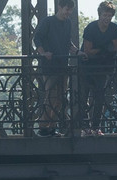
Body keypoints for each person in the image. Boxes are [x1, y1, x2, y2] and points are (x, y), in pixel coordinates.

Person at [32, 0, 76, 136]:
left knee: (61, 98)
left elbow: (68, 42)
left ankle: (52, 126)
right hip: (49, 66)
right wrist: (43, 53)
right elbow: (37, 38)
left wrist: (77, 51)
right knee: (50, 96)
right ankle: (43, 127)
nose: (68, 12)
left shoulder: (68, 23)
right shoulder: (48, 21)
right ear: (60, 7)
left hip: (63, 65)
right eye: (66, 9)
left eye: (70, 10)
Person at [79, 2, 117, 136]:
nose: (107, 18)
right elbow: (87, 51)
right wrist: (102, 49)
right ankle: (85, 126)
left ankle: (96, 127)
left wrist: (100, 51)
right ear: (99, 15)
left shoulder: (114, 28)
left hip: (102, 67)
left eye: (109, 15)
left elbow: (115, 48)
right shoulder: (91, 28)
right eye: (104, 15)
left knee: (99, 97)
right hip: (86, 67)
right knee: (84, 97)